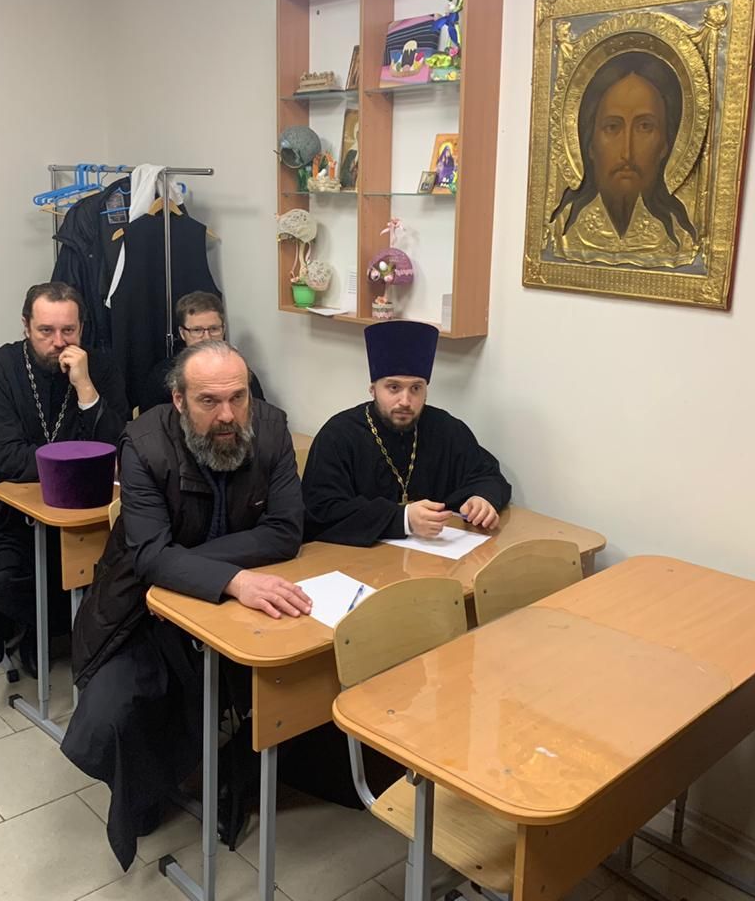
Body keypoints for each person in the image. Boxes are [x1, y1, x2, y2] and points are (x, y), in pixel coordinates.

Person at [62, 340, 306, 869]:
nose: (228, 415)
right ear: (178, 400)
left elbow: (286, 532)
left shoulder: (270, 428)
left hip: (230, 604)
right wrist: (230, 578)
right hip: (140, 607)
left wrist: (196, 568)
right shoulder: (144, 443)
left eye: (238, 398)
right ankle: (145, 794)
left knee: (296, 680)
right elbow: (150, 556)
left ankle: (237, 773)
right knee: (109, 715)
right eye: (209, 401)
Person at [0, 282, 129, 669]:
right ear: (26, 326)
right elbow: (5, 458)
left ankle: (83, 633)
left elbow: (118, 449)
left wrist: (85, 388)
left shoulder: (100, 367)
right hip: (6, 518)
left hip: (85, 513)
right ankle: (43, 630)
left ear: (82, 328)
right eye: (45, 331)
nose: (58, 342)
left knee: (124, 568)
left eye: (68, 330)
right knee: (0, 581)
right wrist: (83, 462)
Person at [302, 320, 511, 546]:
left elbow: (486, 475)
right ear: (373, 390)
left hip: (434, 559)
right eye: (394, 387)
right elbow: (321, 511)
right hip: (356, 559)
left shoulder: (446, 428)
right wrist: (403, 519)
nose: (405, 400)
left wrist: (481, 498)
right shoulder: (339, 435)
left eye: (416, 388)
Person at [552, 50, 698, 250]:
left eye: (645, 127)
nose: (627, 153)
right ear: (590, 144)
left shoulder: (682, 239)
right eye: (612, 127)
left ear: (666, 144)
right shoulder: (562, 232)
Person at [135, 291, 267, 413]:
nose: (207, 338)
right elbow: (150, 424)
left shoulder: (240, 372)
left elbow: (261, 417)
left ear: (223, 329)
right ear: (182, 333)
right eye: (197, 330)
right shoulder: (161, 376)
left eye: (214, 329)